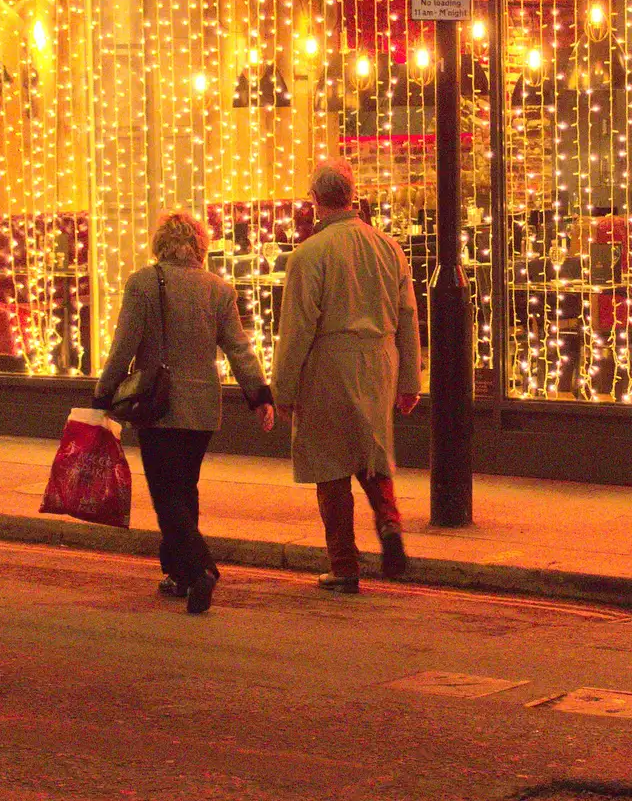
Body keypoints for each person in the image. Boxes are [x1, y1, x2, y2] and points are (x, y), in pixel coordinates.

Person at [94, 209, 275, 614]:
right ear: (200, 245)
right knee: (184, 487)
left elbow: (124, 345)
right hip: (202, 408)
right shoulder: (218, 289)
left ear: (161, 243)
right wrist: (259, 394)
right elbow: (238, 347)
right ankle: (178, 575)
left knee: (165, 495)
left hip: (158, 405)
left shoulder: (143, 283)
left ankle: (201, 569)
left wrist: (104, 393)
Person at [274, 158, 420, 594]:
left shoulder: (309, 255)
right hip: (380, 359)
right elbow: (408, 316)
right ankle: (390, 523)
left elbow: (297, 327)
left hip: (329, 362)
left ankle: (344, 564)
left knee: (330, 465)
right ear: (351, 196)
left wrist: (283, 387)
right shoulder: (388, 247)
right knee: (372, 453)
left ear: (316, 201)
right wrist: (410, 379)